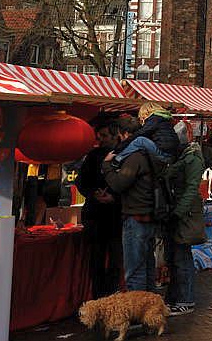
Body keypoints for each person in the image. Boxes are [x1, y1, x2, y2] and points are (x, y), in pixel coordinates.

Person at [102, 117, 160, 292]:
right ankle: (149, 308)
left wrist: (106, 166)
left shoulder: (134, 156)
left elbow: (120, 183)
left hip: (136, 216)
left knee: (135, 269)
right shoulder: (149, 152)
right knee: (147, 265)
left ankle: (138, 310)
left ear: (124, 134)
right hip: (149, 214)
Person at [76, 117, 123, 298]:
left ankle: (111, 294)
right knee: (96, 258)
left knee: (114, 259)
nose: (100, 139)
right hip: (95, 215)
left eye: (104, 136)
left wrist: (114, 198)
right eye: (99, 136)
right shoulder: (93, 156)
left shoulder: (124, 154)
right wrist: (93, 193)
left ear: (115, 136)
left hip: (114, 216)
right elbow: (81, 181)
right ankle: (98, 295)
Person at [164, 122, 205, 315]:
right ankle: (176, 297)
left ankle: (185, 299)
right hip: (179, 210)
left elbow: (191, 189)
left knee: (182, 257)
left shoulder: (192, 159)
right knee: (175, 257)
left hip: (184, 213)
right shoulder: (185, 157)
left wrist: (178, 212)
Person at [111, 102, 180, 166]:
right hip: (171, 155)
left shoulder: (154, 119)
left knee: (140, 140)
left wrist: (118, 149)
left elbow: (140, 133)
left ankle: (117, 160)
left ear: (145, 112)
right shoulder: (163, 119)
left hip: (164, 154)